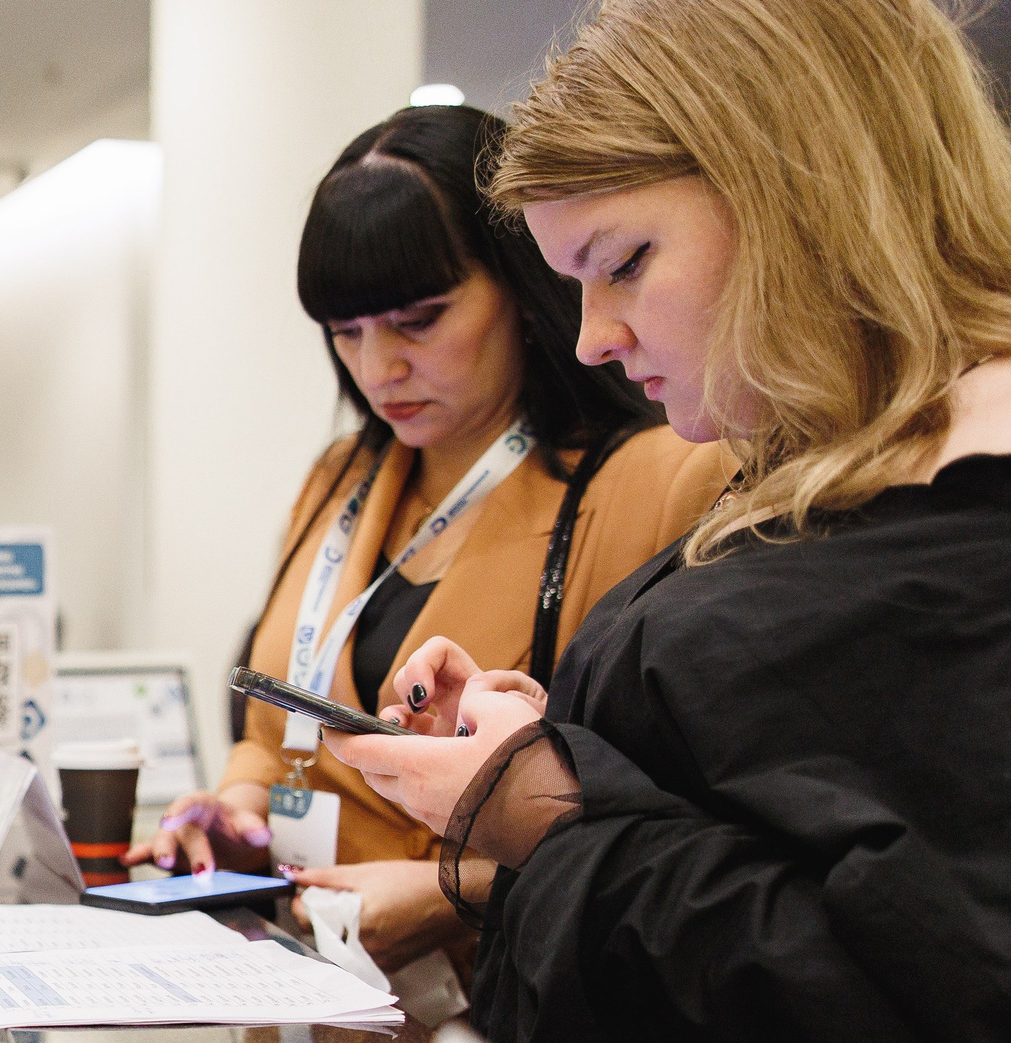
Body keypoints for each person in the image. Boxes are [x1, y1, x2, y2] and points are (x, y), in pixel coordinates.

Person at [324, 0, 1011, 1043]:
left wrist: (553, 807)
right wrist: (558, 744)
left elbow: (926, 988)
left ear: (807, 195)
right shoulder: (829, 470)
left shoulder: (966, 537)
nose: (590, 337)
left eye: (625, 261)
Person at [126, 104, 727, 992]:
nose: (378, 371)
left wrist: (462, 891)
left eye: (419, 319)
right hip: (313, 996)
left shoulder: (659, 480)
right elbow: (273, 732)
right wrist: (236, 812)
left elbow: (682, 821)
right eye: (347, 332)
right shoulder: (341, 478)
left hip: (512, 1020)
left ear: (523, 291)